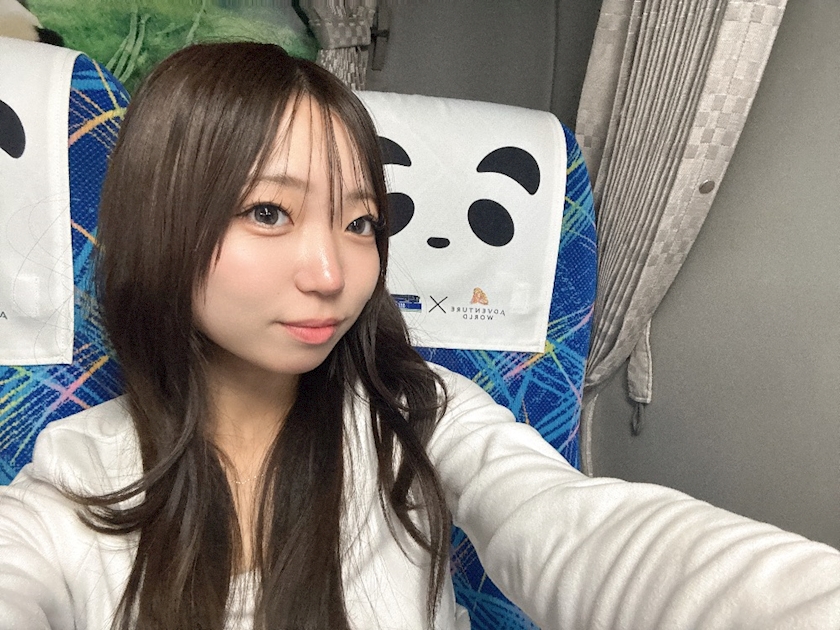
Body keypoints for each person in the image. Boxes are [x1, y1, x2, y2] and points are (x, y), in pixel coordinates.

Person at [0, 42, 839, 630]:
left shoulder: (419, 417)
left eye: (361, 222)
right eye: (269, 212)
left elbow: (578, 531)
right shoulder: (75, 478)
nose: (331, 272)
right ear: (162, 224)